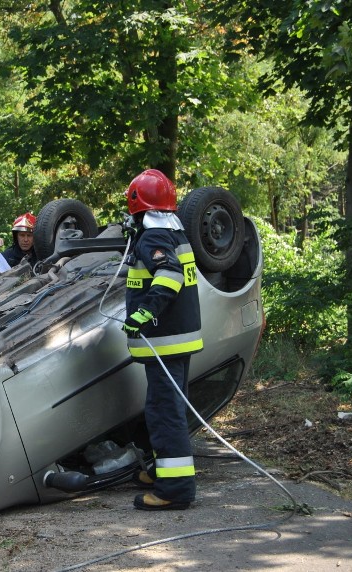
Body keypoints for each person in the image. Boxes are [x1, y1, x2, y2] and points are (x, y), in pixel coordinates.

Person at [121, 169, 203, 511]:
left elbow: (168, 275)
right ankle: (163, 470)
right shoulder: (173, 232)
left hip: (164, 341)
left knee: (164, 412)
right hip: (177, 341)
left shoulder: (152, 237)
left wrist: (143, 313)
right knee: (165, 408)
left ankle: (175, 489)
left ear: (138, 208)